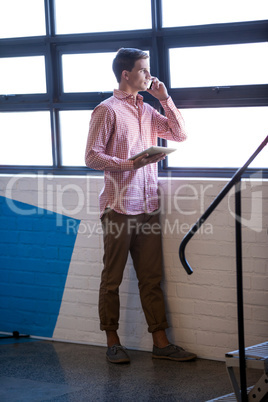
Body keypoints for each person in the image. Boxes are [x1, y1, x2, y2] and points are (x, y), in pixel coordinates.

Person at [85, 48, 196, 364]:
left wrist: (164, 99)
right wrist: (131, 164)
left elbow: (181, 134)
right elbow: (91, 156)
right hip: (119, 208)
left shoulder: (147, 110)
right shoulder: (106, 111)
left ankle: (161, 342)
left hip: (148, 205)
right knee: (112, 279)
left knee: (151, 278)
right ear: (126, 75)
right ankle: (112, 341)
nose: (150, 75)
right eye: (144, 70)